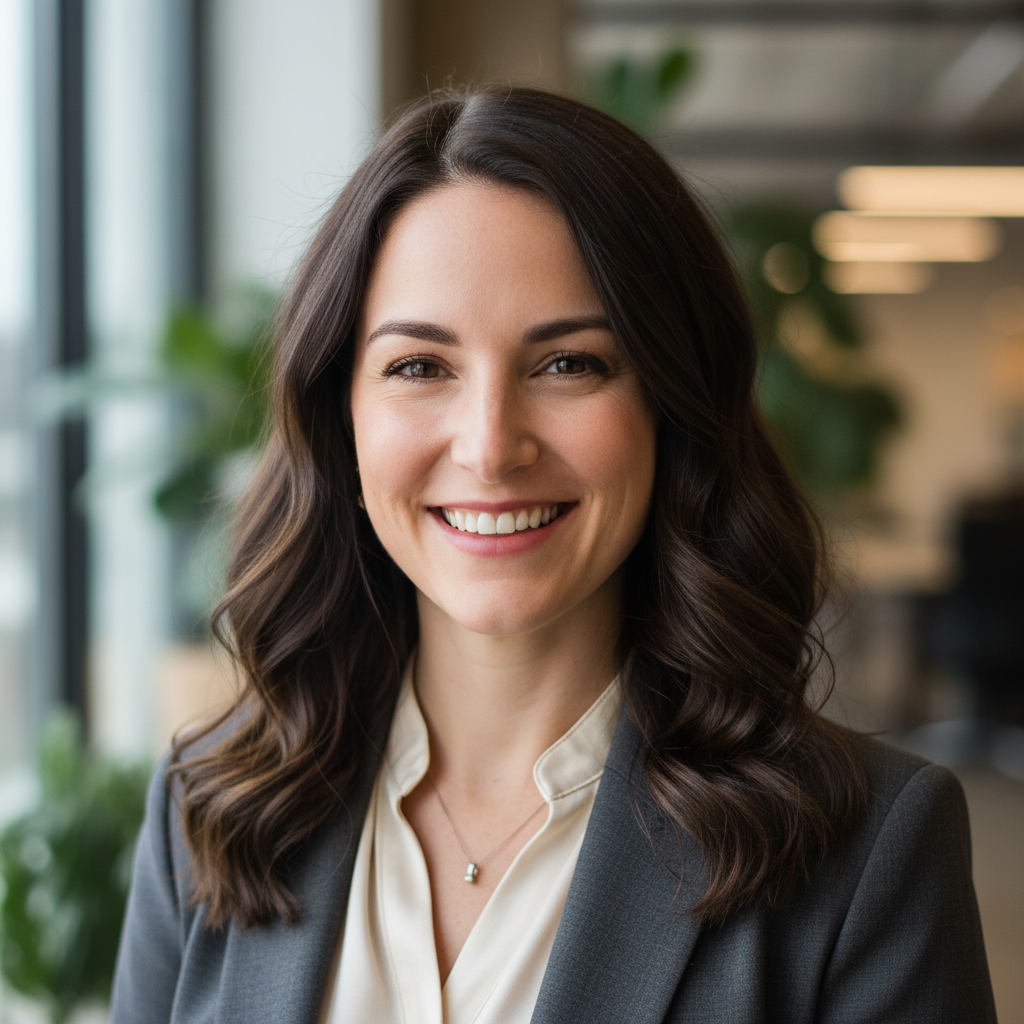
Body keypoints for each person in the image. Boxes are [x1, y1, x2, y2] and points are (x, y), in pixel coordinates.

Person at [111, 86, 996, 1024]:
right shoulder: (210, 810)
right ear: (343, 417)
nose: (491, 447)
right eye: (420, 367)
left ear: (671, 404)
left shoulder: (865, 851)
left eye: (569, 363)